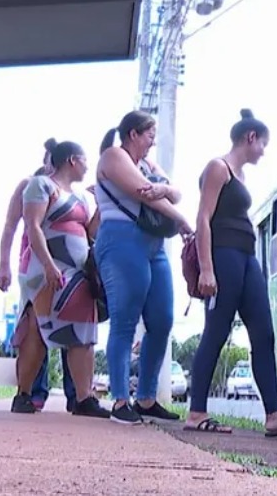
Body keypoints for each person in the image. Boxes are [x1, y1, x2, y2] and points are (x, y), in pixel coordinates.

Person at [185, 110, 277, 436]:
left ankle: (274, 415)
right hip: (223, 257)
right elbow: (203, 219)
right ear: (250, 138)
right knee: (216, 332)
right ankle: (197, 412)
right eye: (263, 144)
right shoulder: (219, 168)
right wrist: (206, 269)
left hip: (247, 258)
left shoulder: (241, 177)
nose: (263, 151)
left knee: (264, 334)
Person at [94, 110, 194, 425]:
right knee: (124, 320)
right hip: (122, 238)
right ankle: (121, 399)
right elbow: (142, 193)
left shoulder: (148, 164)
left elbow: (173, 192)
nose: (152, 142)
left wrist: (165, 190)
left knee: (162, 320)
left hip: (153, 243)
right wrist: (179, 218)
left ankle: (147, 398)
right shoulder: (113, 156)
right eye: (150, 135)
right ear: (134, 134)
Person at [13, 140, 110, 418]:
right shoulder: (41, 185)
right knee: (37, 327)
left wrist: (102, 207)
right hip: (46, 269)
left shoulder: (80, 197)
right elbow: (32, 225)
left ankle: (83, 397)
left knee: (83, 330)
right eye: (85, 160)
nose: (88, 166)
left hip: (77, 273)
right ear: (71, 160)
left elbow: (89, 232)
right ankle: (24, 393)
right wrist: (47, 264)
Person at [0, 138, 78, 413]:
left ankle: (76, 394)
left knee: (72, 327)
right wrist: (3, 265)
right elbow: (10, 227)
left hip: (69, 269)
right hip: (33, 265)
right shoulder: (30, 185)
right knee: (36, 326)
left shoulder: (69, 191)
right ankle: (33, 392)